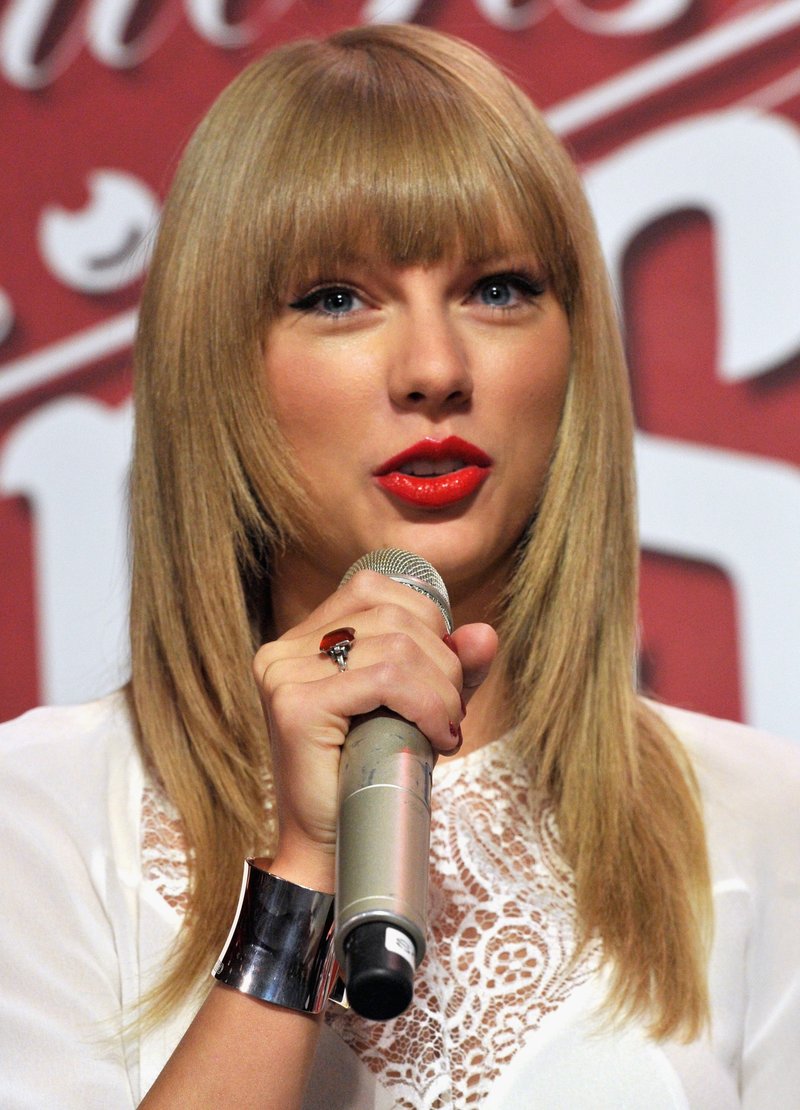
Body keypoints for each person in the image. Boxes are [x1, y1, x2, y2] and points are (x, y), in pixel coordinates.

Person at [1, 22, 798, 1109]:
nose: (435, 367)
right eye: (337, 298)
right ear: (216, 361)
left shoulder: (758, 819)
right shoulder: (41, 813)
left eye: (497, 290)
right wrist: (300, 877)